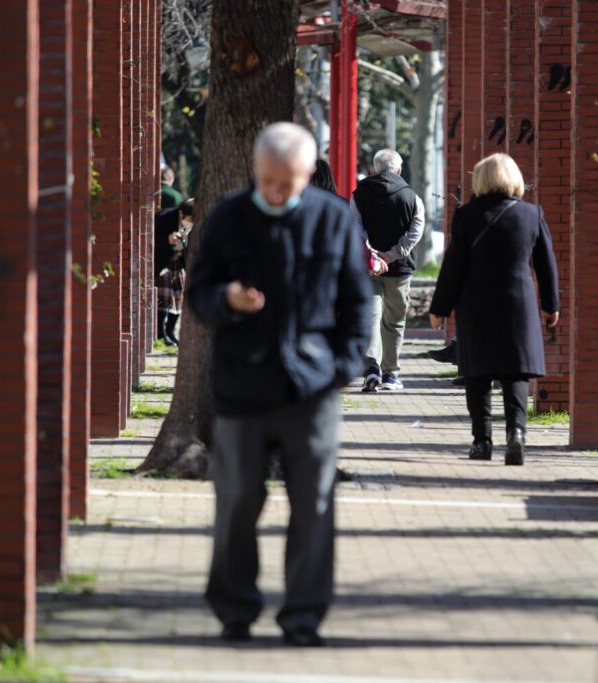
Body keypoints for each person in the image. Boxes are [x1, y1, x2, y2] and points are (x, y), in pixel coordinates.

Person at [187, 122, 372, 646]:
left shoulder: (332, 218)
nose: (276, 192)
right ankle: (234, 609)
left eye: (287, 182)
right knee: (238, 499)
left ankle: (304, 617)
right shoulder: (229, 216)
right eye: (268, 180)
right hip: (242, 387)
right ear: (256, 170)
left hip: (311, 388)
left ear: (308, 174)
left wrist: (344, 366)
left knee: (314, 503)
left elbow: (358, 300)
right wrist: (226, 299)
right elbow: (198, 291)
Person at [428, 153, 559, 466]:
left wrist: (440, 307)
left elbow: (454, 266)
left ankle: (482, 442)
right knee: (516, 372)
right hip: (520, 303)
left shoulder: (466, 216)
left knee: (478, 373)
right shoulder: (532, 214)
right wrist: (550, 305)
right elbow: (546, 265)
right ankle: (516, 433)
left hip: (476, 303)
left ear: (481, 180)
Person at [351, 149, 425, 392]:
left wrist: (373, 255)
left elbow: (356, 227)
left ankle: (371, 367)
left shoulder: (359, 195)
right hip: (400, 270)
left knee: (371, 317)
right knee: (394, 322)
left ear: (375, 169)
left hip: (368, 269)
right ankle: (391, 375)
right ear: (399, 169)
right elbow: (415, 232)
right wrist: (391, 255)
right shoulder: (411, 196)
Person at [154, 198, 193, 345]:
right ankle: (160, 333)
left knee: (178, 296)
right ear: (181, 213)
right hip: (163, 262)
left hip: (179, 262)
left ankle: (170, 331)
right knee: (164, 297)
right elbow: (149, 238)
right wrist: (166, 240)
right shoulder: (164, 218)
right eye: (190, 219)